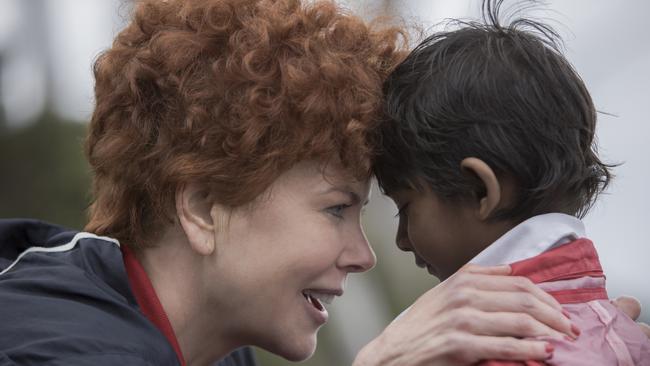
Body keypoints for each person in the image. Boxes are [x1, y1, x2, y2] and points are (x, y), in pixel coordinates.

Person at [0, 0, 641, 365]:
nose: (365, 254)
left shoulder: (219, 351)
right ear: (201, 208)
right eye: (337, 209)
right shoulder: (57, 346)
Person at [373, 0, 650, 364]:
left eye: (406, 208)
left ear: (480, 190)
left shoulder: (474, 350)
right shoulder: (626, 338)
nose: (402, 240)